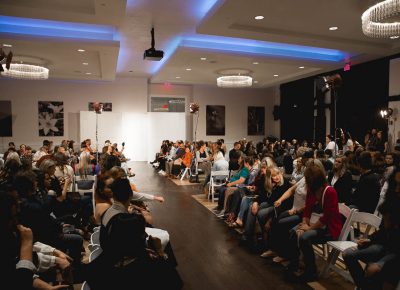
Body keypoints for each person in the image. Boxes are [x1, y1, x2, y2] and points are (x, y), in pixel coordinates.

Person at [286, 162, 342, 282]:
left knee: (304, 237)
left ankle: (311, 271)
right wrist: (304, 224)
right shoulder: (312, 190)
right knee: (293, 232)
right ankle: (295, 264)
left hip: (330, 229)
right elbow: (307, 209)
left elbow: (327, 218)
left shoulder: (330, 191)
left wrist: (308, 228)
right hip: (315, 224)